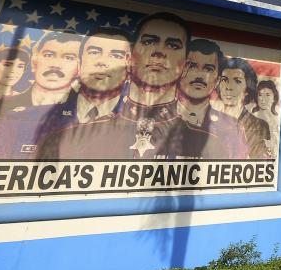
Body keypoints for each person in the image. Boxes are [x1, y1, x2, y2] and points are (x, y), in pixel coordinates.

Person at [37, 12, 229, 160]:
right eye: (148, 42)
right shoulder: (67, 138)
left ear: (186, 64)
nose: (158, 53)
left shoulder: (210, 144)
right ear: (130, 57)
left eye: (172, 45)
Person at [0, 31, 82, 159]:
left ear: (80, 67)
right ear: (34, 61)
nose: (55, 65)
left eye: (69, 58)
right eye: (48, 55)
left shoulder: (91, 116)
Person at [175, 38, 248, 158]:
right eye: (192, 66)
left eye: (208, 69)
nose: (200, 75)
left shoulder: (232, 128)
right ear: (180, 71)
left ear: (218, 80)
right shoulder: (152, 120)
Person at [215, 55, 271, 159]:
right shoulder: (208, 120)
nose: (229, 87)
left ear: (247, 89)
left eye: (237, 81)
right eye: (224, 80)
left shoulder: (259, 126)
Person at [253, 80, 281, 154]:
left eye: (267, 95)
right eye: (260, 95)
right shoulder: (253, 117)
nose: (263, 99)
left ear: (274, 98)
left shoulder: (278, 119)